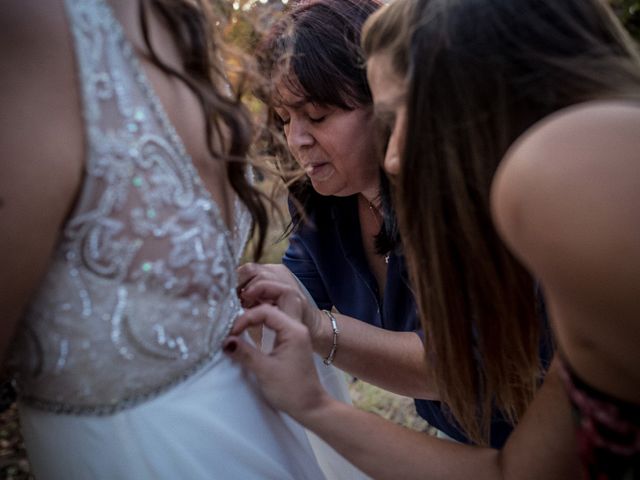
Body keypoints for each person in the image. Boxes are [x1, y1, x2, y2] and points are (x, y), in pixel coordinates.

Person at [225, 0, 640, 478]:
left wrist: (321, 339)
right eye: (283, 119)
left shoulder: (550, 212)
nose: (394, 155)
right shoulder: (327, 204)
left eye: (401, 116)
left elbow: (469, 371)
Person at [0, 0, 346, 478]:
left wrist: (319, 329)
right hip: (141, 448)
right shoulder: (35, 27)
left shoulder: (182, 22)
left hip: (259, 420)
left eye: (316, 117)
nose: (296, 139)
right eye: (286, 120)